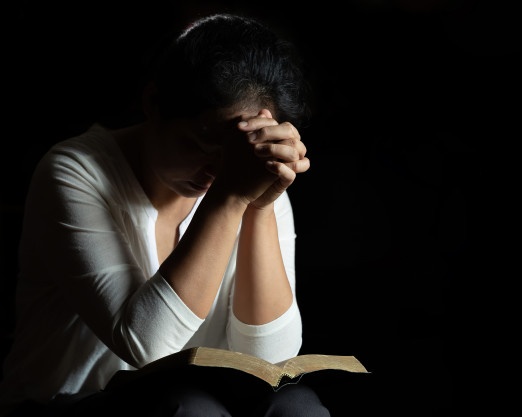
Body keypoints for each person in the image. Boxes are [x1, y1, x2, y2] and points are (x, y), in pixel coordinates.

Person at [0, 12, 330, 417]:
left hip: (200, 400)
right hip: (63, 405)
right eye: (202, 143)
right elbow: (147, 348)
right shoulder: (74, 171)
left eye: (236, 153)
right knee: (189, 408)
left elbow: (268, 363)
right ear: (154, 104)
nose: (218, 170)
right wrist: (229, 198)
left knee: (298, 404)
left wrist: (259, 205)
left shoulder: (248, 177)